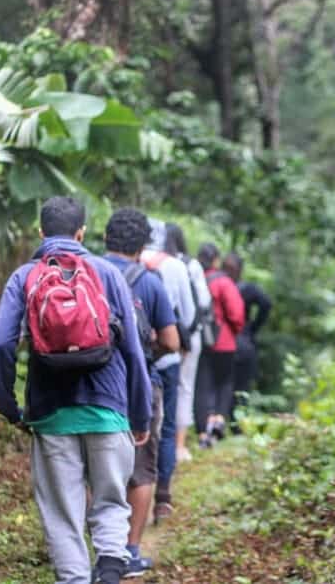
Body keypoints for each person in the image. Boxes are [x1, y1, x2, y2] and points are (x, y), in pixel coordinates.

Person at [0, 196, 152, 584]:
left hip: (51, 412)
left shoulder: (24, 276)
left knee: (63, 514)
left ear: (41, 232)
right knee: (111, 501)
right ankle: (112, 566)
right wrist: (140, 413)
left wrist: (9, 405)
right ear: (82, 232)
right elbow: (132, 349)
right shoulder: (107, 274)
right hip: (109, 408)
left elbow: (1, 346)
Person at [103, 209, 179, 578]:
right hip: (140, 385)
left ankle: (98, 549)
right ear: (143, 244)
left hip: (91, 385)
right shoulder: (149, 283)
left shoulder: (89, 272)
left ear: (104, 239)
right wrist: (147, 350)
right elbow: (171, 341)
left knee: (91, 469)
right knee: (140, 470)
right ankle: (130, 552)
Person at [140, 219, 195, 521]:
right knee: (167, 426)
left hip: (133, 360)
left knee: (134, 425)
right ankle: (162, 496)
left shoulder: (132, 263)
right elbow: (186, 315)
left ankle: (128, 498)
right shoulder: (176, 267)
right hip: (167, 360)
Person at [163, 223, 212, 463]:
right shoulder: (191, 265)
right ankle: (179, 446)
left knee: (161, 387)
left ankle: (159, 438)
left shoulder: (154, 261)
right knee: (185, 387)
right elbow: (203, 301)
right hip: (189, 337)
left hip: (161, 336)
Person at [194, 243, 245, 448]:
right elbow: (237, 314)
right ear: (216, 260)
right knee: (224, 383)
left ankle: (202, 431)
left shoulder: (195, 279)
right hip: (223, 342)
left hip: (200, 340)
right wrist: (234, 329)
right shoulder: (223, 282)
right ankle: (218, 422)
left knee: (202, 385)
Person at [222, 253, 272, 426]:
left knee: (226, 384)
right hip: (242, 342)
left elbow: (266, 303)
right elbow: (266, 303)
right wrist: (252, 328)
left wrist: (252, 328)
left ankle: (226, 422)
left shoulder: (218, 285)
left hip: (225, 342)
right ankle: (235, 423)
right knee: (239, 386)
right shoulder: (245, 288)